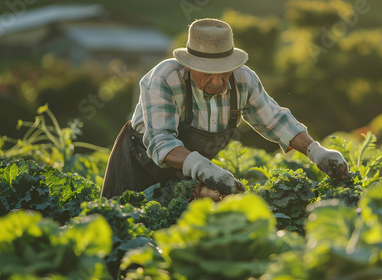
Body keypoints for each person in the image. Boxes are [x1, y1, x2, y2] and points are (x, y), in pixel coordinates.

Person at [100, 18, 348, 199]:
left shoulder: (243, 79)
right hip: (137, 170)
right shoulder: (164, 79)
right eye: (208, 74)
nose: (218, 82)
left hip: (187, 177)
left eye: (224, 72)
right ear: (189, 65)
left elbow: (276, 122)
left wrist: (317, 151)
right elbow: (161, 143)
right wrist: (205, 168)